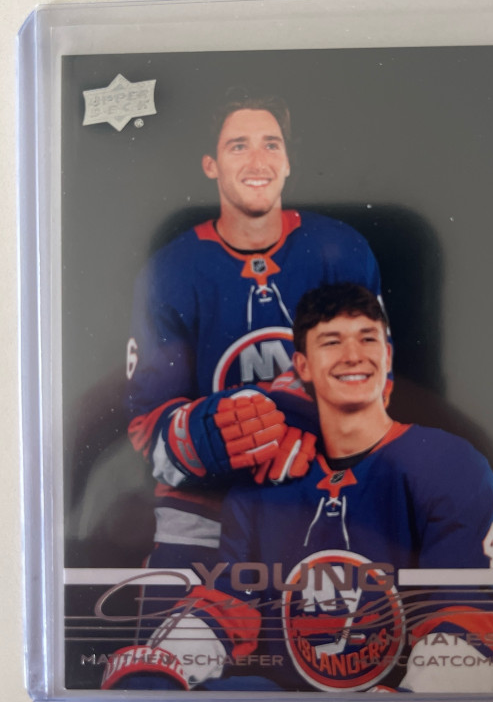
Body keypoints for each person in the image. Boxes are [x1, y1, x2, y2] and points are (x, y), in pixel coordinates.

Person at [104, 284, 493, 694]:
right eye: (331, 342)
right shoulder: (262, 485)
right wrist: (169, 660)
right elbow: (229, 604)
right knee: (158, 687)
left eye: (367, 339)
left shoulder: (449, 464)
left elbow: (465, 618)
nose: (353, 355)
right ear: (302, 365)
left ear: (388, 355)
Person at [125, 92, 386, 571]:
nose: (258, 160)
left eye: (271, 144)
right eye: (238, 146)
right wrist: (199, 439)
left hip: (325, 493)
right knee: (176, 618)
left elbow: (378, 378)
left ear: (287, 163)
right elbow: (146, 425)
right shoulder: (170, 271)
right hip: (203, 514)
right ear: (211, 165)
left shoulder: (341, 250)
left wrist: (284, 411)